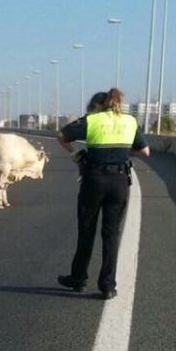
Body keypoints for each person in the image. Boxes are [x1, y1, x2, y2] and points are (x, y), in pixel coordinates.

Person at [56, 88, 150, 300]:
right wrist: (125, 152)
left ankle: (78, 278)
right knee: (111, 235)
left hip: (94, 180)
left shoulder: (93, 120)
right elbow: (145, 151)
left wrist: (77, 153)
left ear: (103, 103)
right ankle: (107, 286)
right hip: (119, 182)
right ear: (121, 103)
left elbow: (62, 135)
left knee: (86, 230)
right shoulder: (130, 121)